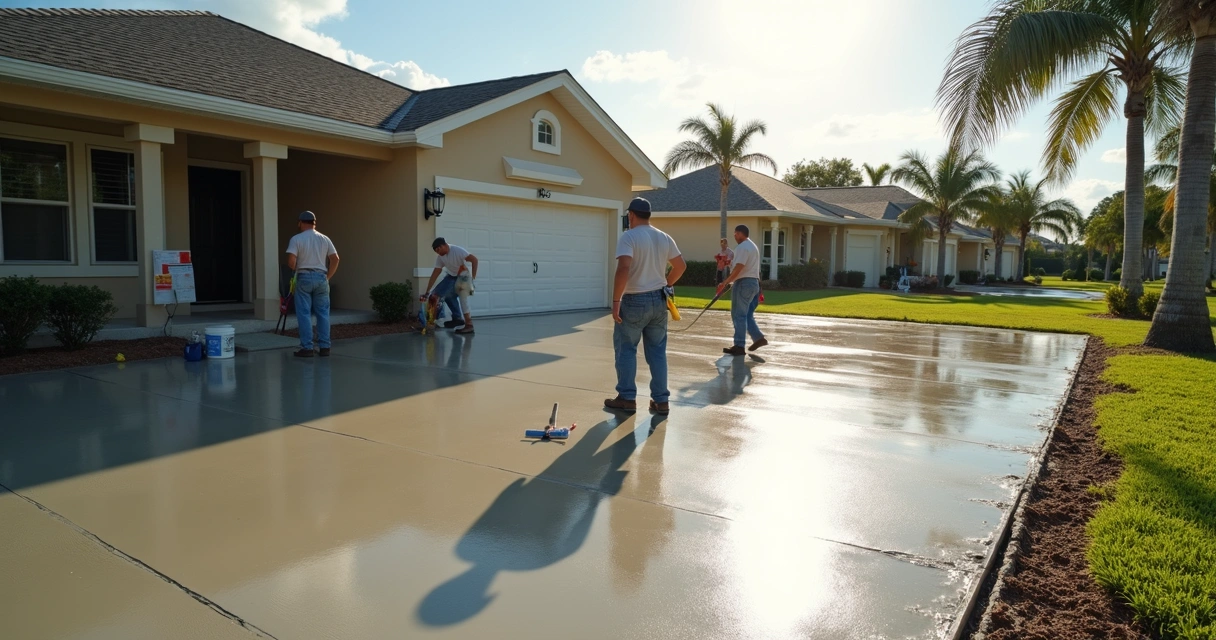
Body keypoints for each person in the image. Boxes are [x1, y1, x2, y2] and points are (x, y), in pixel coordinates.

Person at [604, 197, 686, 415]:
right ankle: (661, 402)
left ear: (631, 215)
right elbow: (680, 266)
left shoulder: (629, 237)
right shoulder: (663, 237)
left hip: (633, 301)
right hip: (659, 300)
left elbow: (623, 269)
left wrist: (615, 301)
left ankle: (627, 398)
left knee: (627, 349)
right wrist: (667, 283)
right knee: (658, 352)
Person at [286, 210, 340, 357]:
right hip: (321, 277)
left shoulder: (296, 239)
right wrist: (328, 276)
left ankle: (307, 348)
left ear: (301, 222)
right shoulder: (324, 239)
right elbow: (335, 259)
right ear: (314, 223)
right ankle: (325, 347)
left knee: (304, 313)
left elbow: (291, 261)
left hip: (303, 276)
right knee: (323, 313)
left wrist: (296, 268)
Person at [717, 224, 767, 355]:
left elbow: (739, 267)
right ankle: (758, 338)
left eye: (735, 233)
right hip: (754, 283)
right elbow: (745, 266)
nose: (734, 236)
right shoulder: (752, 246)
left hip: (744, 283)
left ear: (740, 233)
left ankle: (739, 346)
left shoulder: (742, 247)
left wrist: (726, 282)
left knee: (738, 315)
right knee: (747, 315)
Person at [423, 237, 478, 335]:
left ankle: (469, 325)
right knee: (436, 295)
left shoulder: (457, 251)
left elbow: (474, 260)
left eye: (438, 250)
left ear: (444, 245)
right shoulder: (440, 258)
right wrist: (427, 291)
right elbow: (435, 274)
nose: (438, 253)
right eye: (436, 252)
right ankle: (455, 319)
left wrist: (473, 277)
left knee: (462, 298)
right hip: (451, 277)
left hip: (463, 276)